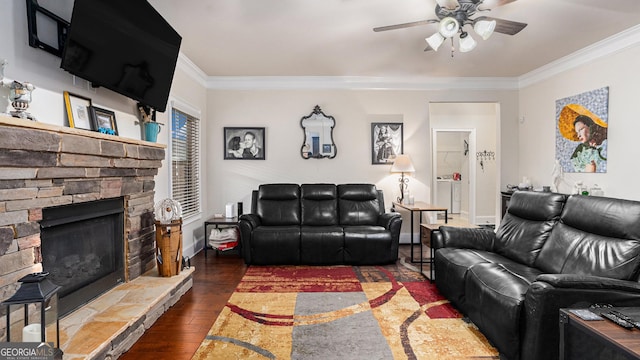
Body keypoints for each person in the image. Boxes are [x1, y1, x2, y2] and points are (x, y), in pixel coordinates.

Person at [559, 105, 608, 173]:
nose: (578, 135)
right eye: (577, 132)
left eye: (581, 129)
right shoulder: (580, 150)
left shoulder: (604, 146)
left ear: (591, 127)